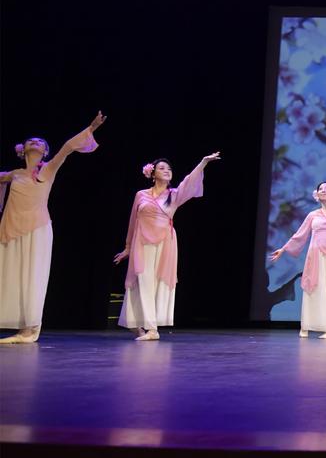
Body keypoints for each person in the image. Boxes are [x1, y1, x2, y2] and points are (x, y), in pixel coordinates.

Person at [0, 112, 105, 344]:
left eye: (40, 141)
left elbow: (67, 147)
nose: (35, 142)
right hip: (13, 227)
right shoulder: (14, 174)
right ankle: (19, 326)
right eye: (31, 140)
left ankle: (29, 330)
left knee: (33, 276)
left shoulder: (48, 169)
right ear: (23, 150)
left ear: (46, 151)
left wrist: (91, 128)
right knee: (12, 274)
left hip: (38, 227)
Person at [113, 151, 221, 340]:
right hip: (142, 242)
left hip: (165, 243)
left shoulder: (174, 195)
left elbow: (189, 181)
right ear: (153, 173)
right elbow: (133, 222)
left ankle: (152, 329)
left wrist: (203, 162)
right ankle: (135, 323)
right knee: (142, 280)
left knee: (156, 283)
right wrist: (128, 247)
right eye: (162, 168)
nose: (167, 170)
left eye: (169, 169)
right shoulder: (141, 195)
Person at [269, 160, 326, 339]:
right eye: (320, 189)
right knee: (314, 288)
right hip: (316, 255)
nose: (323, 190)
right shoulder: (312, 215)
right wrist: (283, 249)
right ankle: (307, 325)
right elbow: (299, 234)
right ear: (317, 194)